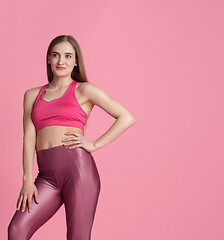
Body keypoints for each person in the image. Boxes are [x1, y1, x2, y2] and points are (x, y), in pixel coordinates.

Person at [8, 35, 136, 240]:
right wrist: (27, 179)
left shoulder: (84, 90)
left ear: (76, 61)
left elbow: (126, 117)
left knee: (78, 237)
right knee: (17, 230)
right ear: (49, 58)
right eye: (56, 55)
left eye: (68, 56)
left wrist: (94, 144)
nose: (61, 61)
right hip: (46, 176)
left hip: (78, 171)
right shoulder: (32, 95)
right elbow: (29, 137)